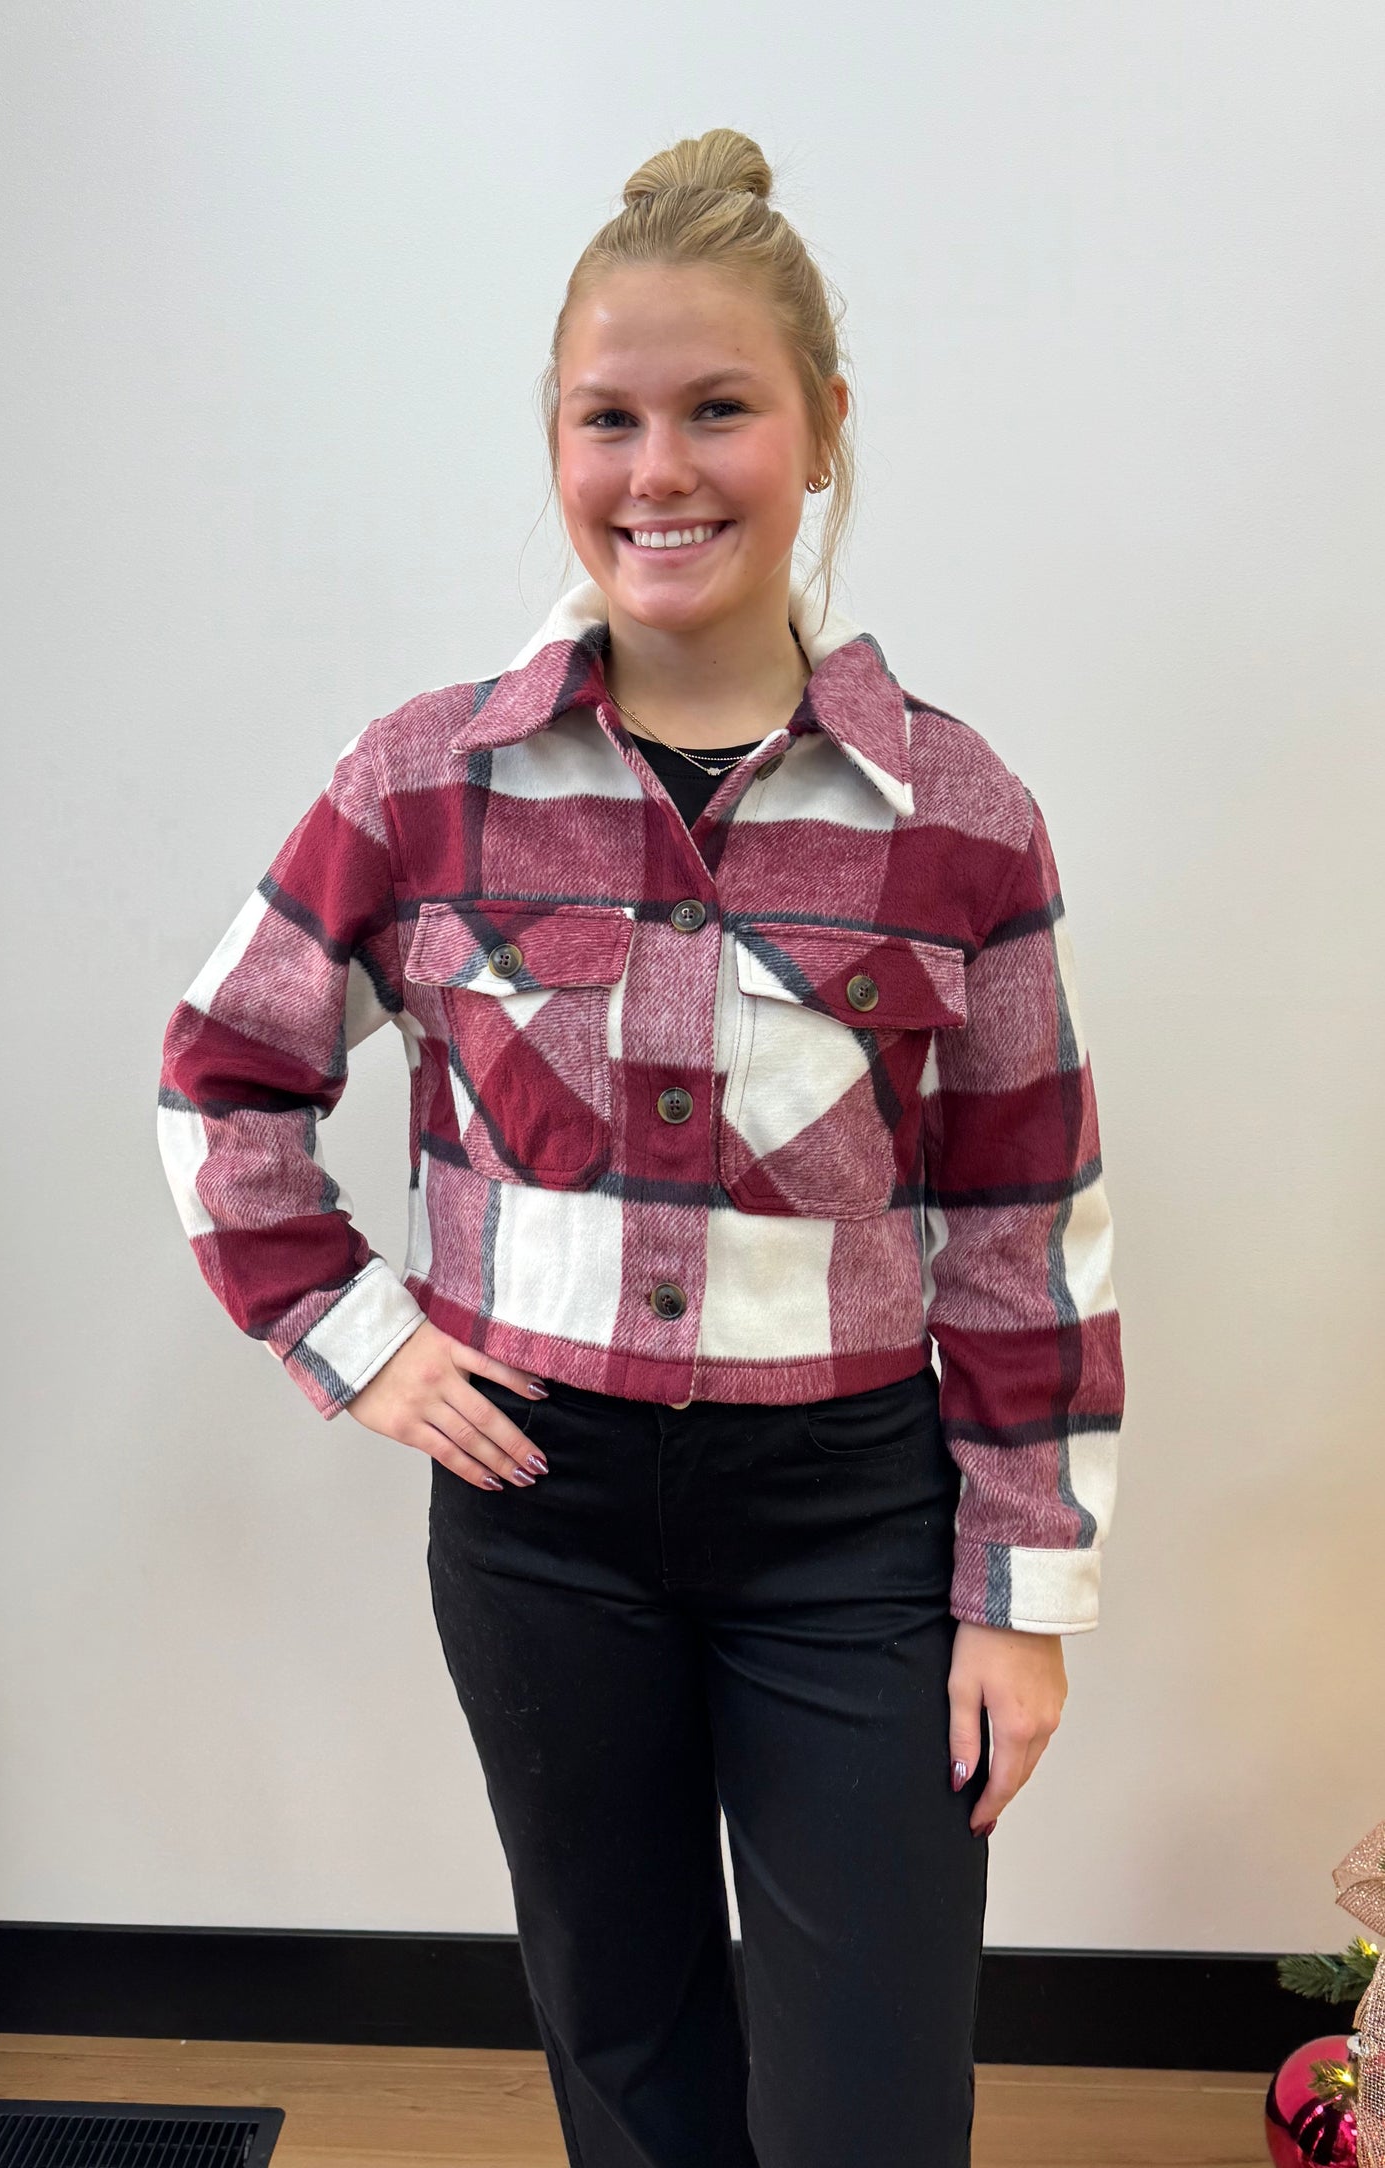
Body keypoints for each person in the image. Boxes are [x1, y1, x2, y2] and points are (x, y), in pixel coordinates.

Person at [157, 126, 1125, 2168]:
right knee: (630, 2049)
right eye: (609, 417)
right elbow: (222, 1072)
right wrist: (355, 1333)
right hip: (544, 1516)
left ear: (823, 429)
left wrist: (1020, 1598)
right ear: (557, 437)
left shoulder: (960, 814)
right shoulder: (428, 779)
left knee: (868, 2098)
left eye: (717, 410)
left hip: (850, 1520)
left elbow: (1026, 1224)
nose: (658, 470)